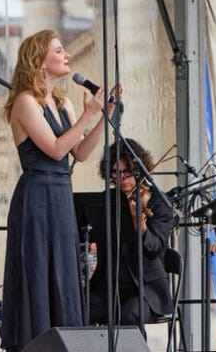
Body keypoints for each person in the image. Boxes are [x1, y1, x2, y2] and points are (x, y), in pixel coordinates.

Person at [0, 29, 117, 351]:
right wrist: (88, 113)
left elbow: (78, 152)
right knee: (38, 270)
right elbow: (54, 149)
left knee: (65, 270)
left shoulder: (61, 101)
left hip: (61, 193)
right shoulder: (25, 101)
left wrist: (103, 115)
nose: (66, 55)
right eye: (59, 50)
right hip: (37, 195)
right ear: (38, 61)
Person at [88, 139, 173, 327]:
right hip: (107, 288)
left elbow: (155, 249)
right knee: (75, 310)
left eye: (128, 173)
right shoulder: (105, 202)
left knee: (131, 316)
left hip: (144, 290)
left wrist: (140, 225)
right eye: (116, 173)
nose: (122, 179)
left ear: (140, 170)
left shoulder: (158, 202)